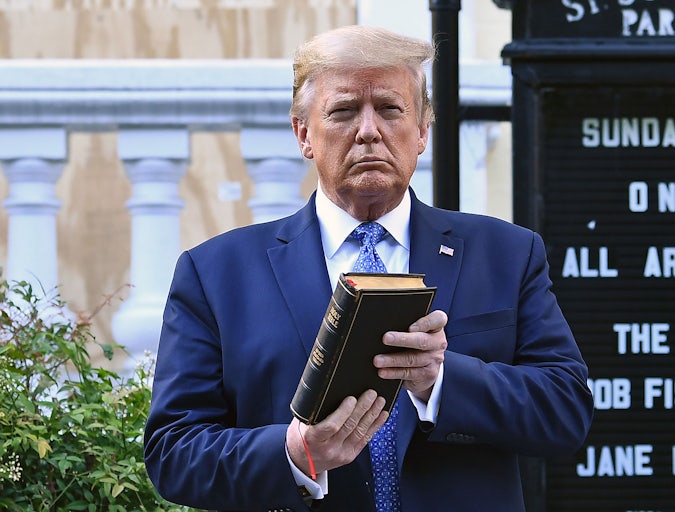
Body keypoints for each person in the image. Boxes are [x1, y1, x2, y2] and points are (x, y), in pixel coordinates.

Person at [144, 25, 593, 512]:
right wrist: (294, 454)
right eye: (342, 111)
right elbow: (173, 453)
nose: (368, 131)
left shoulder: (507, 253)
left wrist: (440, 380)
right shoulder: (215, 274)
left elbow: (566, 411)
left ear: (422, 131)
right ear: (303, 134)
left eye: (389, 108)